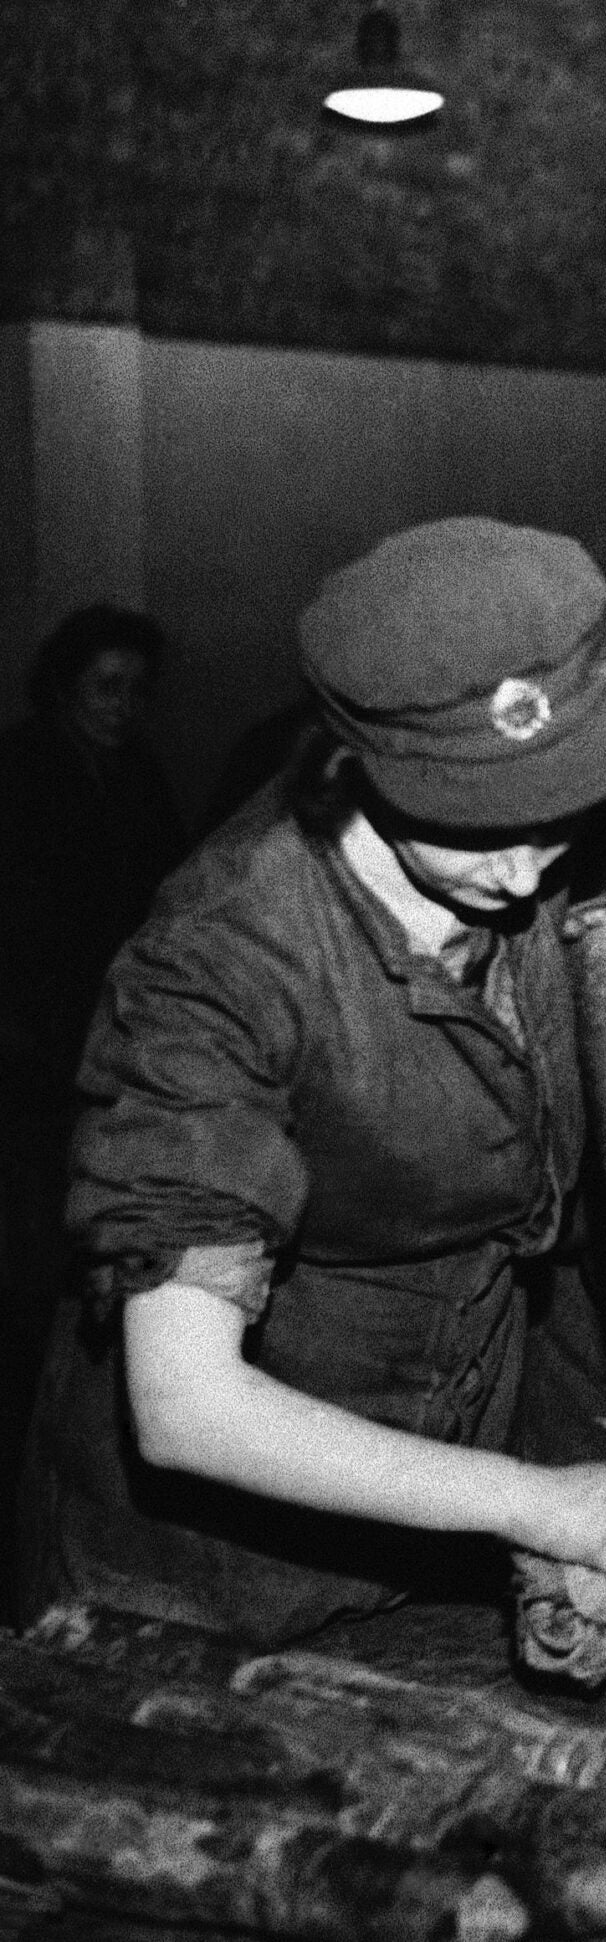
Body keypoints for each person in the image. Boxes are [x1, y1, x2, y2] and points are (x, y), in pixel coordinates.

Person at [16, 518, 606, 1644]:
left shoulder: (536, 855)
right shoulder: (218, 964)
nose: (531, 860)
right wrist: (534, 1500)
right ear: (352, 770)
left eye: (562, 803)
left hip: (428, 1534)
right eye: (479, 819)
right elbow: (184, 1408)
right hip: (199, 1591)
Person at [0, 605, 191, 1607]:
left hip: (105, 1053)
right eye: (104, 687)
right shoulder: (23, 774)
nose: (123, 707)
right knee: (30, 1280)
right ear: (61, 687)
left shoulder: (136, 776)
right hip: (31, 1064)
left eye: (135, 688)